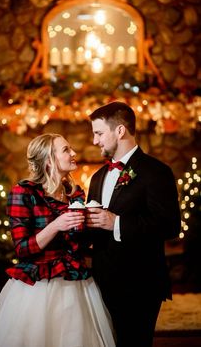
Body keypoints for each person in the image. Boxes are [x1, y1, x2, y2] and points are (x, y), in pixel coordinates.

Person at [0, 133, 115, 347]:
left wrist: (93, 221)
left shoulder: (75, 196)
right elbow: (23, 249)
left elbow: (80, 243)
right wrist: (56, 225)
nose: (74, 153)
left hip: (76, 283)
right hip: (37, 286)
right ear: (49, 160)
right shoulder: (23, 193)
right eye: (66, 150)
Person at [86, 101, 181, 347]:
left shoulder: (156, 171)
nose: (94, 141)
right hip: (99, 283)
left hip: (140, 283)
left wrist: (116, 223)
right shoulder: (97, 177)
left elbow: (169, 225)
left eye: (98, 133)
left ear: (120, 131)